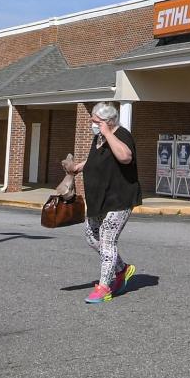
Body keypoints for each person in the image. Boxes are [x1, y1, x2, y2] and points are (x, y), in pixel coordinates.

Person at [55, 102, 142, 304]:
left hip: (118, 199)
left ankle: (104, 288)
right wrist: (77, 167)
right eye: (93, 120)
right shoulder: (99, 137)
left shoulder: (121, 135)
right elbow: (97, 158)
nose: (92, 124)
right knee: (91, 236)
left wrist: (108, 133)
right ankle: (123, 269)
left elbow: (125, 157)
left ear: (109, 122)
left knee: (107, 241)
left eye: (96, 121)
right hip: (98, 199)